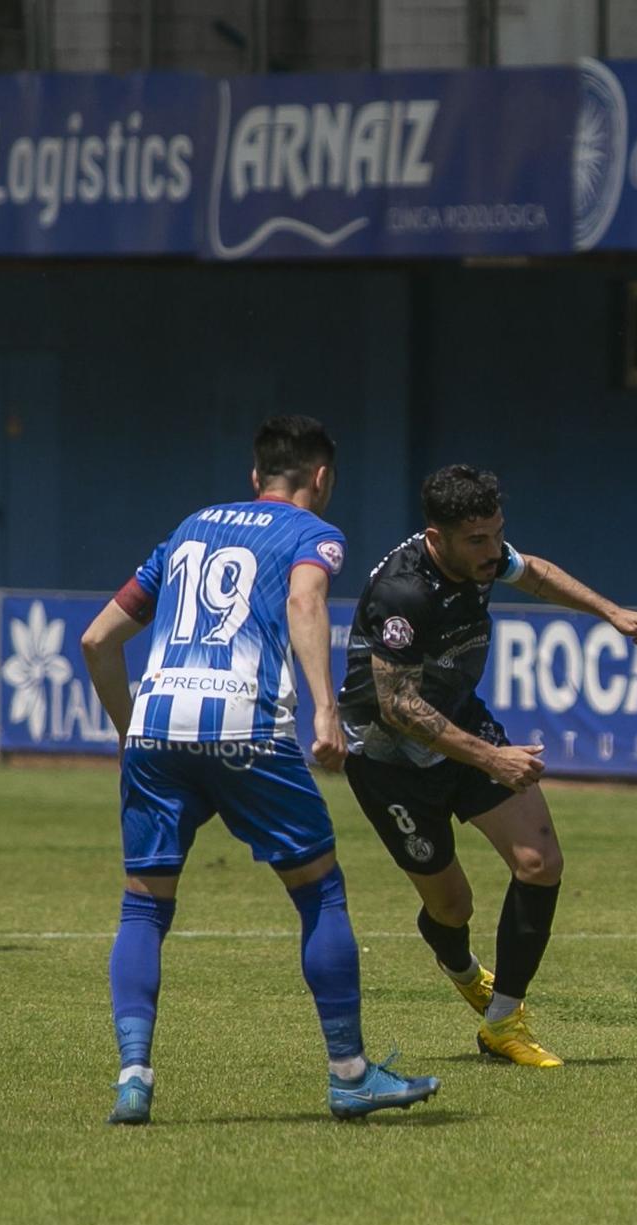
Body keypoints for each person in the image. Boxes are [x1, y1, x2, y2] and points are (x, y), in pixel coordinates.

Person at [78, 415, 438, 1124]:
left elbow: (97, 638)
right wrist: (325, 712)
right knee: (320, 895)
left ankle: (133, 1077)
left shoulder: (187, 529)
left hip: (158, 726)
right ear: (321, 477)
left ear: (255, 476)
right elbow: (305, 601)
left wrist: (130, 730)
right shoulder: (311, 534)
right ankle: (349, 1073)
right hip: (245, 726)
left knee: (144, 906)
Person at [338, 465, 637, 1069]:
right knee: (452, 908)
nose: (493, 552)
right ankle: (460, 967)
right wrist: (494, 759)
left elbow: (532, 571)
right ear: (437, 539)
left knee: (540, 863)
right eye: (477, 540)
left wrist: (610, 612)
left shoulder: (481, 557)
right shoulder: (403, 594)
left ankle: (503, 1021)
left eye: (497, 534)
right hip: (389, 760)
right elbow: (398, 705)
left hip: (461, 720)